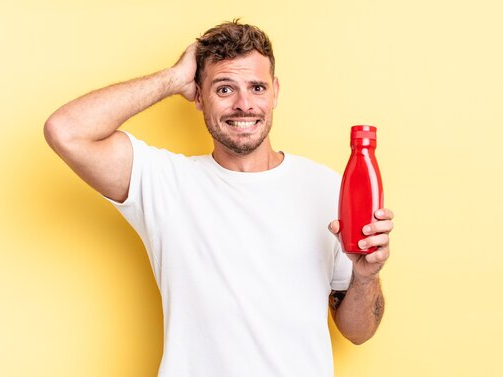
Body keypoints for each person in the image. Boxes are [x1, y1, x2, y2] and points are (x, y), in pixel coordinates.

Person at [44, 20, 394, 377]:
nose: (244, 105)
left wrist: (366, 278)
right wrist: (173, 78)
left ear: (275, 92)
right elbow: (66, 131)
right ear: (198, 96)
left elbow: (358, 332)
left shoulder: (328, 189)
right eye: (224, 89)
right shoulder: (165, 182)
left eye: (257, 87)